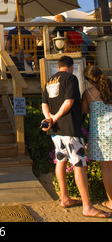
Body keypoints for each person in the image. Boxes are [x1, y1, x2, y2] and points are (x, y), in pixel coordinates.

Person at [41, 55, 111, 218]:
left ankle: (64, 198)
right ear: (71, 66)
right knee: (79, 164)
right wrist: (57, 116)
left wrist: (49, 118)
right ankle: (87, 206)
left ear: (58, 67)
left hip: (55, 131)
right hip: (69, 128)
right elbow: (69, 102)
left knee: (61, 160)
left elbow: (44, 103)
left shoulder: (50, 80)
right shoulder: (71, 78)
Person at [82, 66, 112, 211]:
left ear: (88, 80)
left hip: (102, 135)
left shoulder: (88, 93)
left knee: (106, 169)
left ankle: (111, 202)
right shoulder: (110, 88)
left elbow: (84, 110)